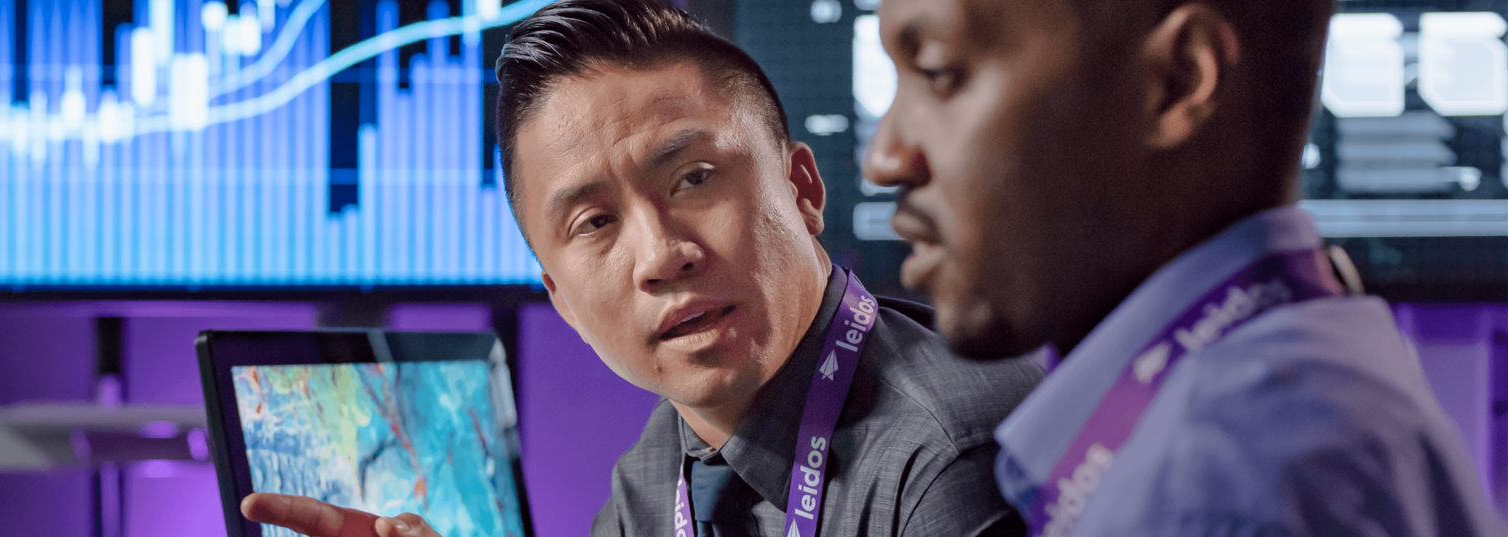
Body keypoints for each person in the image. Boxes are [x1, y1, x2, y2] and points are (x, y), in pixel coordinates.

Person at [238, 1, 1044, 536]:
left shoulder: (952, 466)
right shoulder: (668, 465)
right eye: (594, 222)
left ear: (801, 188)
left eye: (694, 178)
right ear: (564, 304)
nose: (661, 254)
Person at [865, 0, 1504, 535]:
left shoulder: (1210, 487)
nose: (884, 158)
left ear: (1176, 82)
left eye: (938, 73)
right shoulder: (1309, 392)